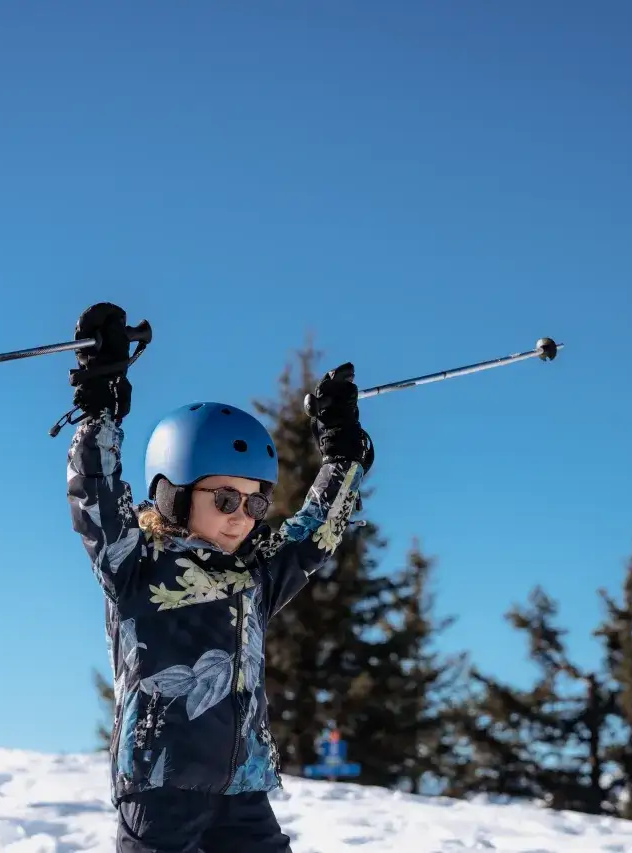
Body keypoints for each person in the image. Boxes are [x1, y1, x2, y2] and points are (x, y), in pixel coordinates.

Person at [64, 303, 374, 853]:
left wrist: (342, 453)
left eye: (257, 501)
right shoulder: (135, 563)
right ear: (173, 493)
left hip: (243, 787)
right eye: (226, 497)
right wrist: (99, 403)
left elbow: (315, 534)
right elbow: (97, 494)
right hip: (160, 786)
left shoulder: (253, 575)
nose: (243, 514)